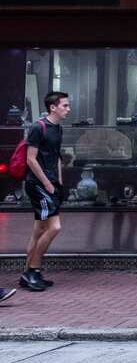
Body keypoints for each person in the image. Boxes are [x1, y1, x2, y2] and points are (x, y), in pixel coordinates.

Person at [21, 91, 70, 292]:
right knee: (55, 227)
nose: (68, 109)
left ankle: (28, 273)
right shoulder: (37, 128)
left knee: (39, 230)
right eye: (65, 105)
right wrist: (47, 185)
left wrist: (58, 182)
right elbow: (30, 159)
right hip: (38, 185)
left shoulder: (57, 129)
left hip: (50, 185)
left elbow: (56, 157)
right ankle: (33, 269)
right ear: (53, 107)